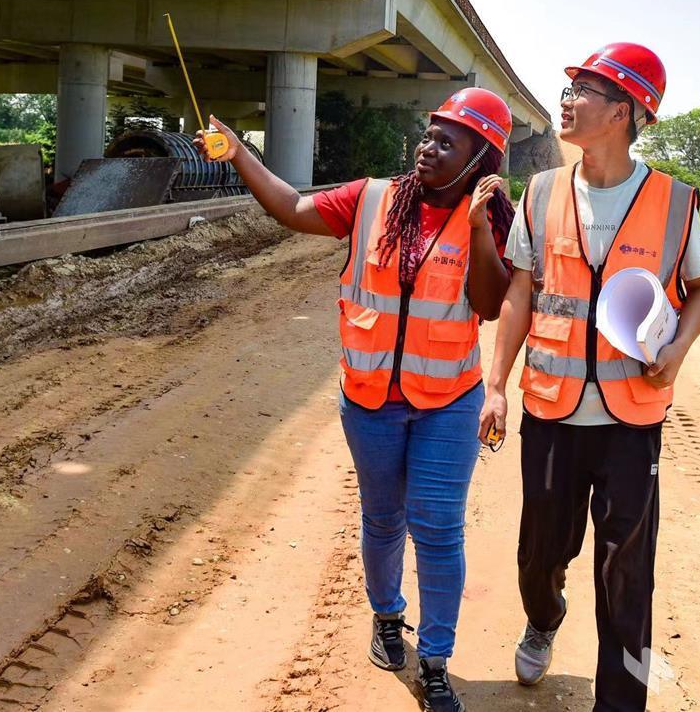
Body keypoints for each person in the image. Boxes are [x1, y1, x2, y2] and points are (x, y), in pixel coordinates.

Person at [197, 87, 515, 712]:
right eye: (429, 134)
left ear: (481, 158)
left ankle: (436, 661)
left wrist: (477, 229)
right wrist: (238, 153)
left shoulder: (494, 217)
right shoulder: (373, 198)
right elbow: (291, 206)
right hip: (370, 398)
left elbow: (487, 303)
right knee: (383, 519)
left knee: (438, 528)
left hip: (448, 400)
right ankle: (388, 617)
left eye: (448, 141)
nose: (429, 146)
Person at [478, 43, 700, 712]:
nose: (568, 98)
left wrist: (679, 349)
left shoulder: (674, 202)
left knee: (626, 578)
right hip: (552, 413)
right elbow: (522, 291)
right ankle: (544, 617)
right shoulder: (544, 190)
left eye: (586, 88)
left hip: (632, 420)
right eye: (572, 86)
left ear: (626, 111)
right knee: (538, 555)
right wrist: (496, 384)